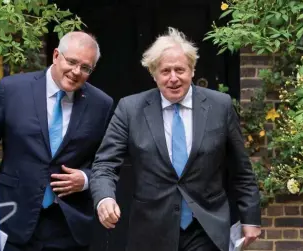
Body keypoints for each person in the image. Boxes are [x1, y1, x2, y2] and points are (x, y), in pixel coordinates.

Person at [90, 27, 261, 251]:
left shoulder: (220, 106)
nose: (173, 78)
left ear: (192, 70)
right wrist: (105, 198)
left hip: (206, 227)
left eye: (180, 70)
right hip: (151, 229)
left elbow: (241, 169)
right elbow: (104, 164)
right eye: (165, 71)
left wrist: (251, 218)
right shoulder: (130, 109)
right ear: (153, 74)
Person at [0, 31, 114, 251]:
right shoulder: (12, 90)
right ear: (56, 55)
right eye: (72, 62)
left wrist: (85, 178)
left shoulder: (101, 104)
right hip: (11, 216)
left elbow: (108, 162)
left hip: (68, 224)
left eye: (85, 68)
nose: (76, 72)